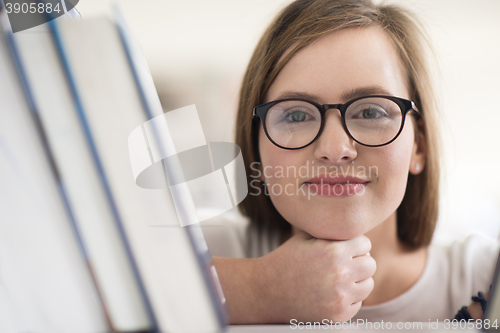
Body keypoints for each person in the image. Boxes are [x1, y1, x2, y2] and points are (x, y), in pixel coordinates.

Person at [208, 0, 500, 324]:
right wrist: (258, 290)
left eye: (371, 112)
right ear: (256, 150)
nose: (335, 149)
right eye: (295, 115)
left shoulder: (487, 276)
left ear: (419, 145)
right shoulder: (204, 251)